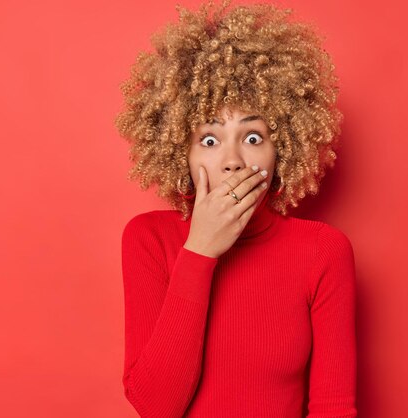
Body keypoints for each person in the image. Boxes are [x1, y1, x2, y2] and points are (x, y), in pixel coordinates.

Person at [115, 1, 357, 417]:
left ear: (283, 149)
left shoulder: (323, 250)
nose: (232, 161)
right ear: (181, 151)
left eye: (252, 137)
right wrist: (200, 252)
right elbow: (156, 407)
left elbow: (334, 408)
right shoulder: (149, 239)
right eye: (209, 139)